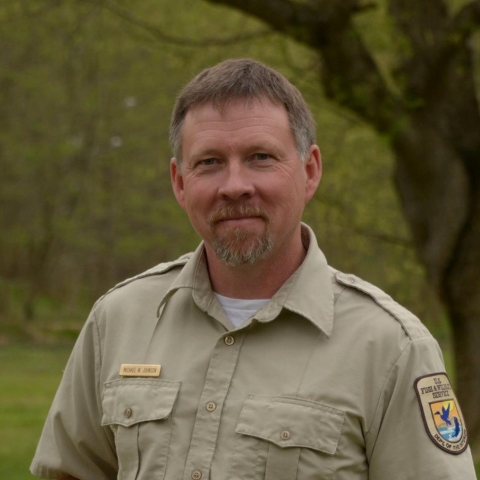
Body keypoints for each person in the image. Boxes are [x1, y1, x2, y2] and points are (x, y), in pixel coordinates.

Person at [31, 58, 477, 480]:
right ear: (180, 182)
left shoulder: (391, 347)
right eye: (209, 162)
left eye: (261, 157)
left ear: (310, 170)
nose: (235, 186)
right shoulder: (118, 319)